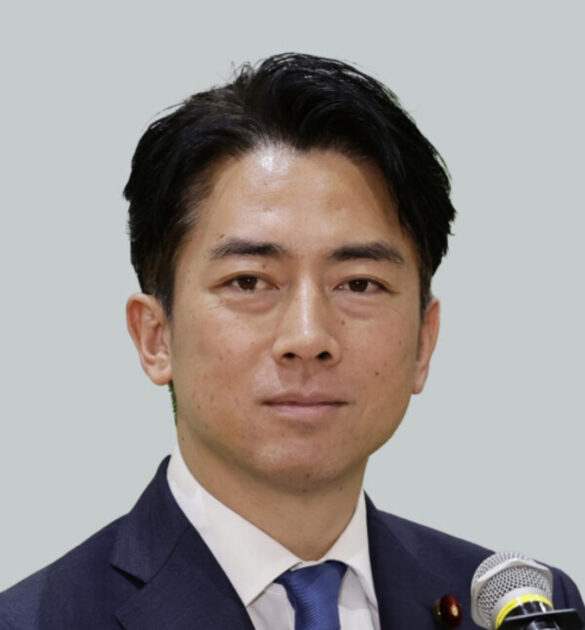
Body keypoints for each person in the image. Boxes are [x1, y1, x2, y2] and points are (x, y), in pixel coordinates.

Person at [0, 52, 582, 630]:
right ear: (156, 337)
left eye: (360, 283)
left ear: (423, 342)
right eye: (249, 282)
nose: (308, 337)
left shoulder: (525, 613)